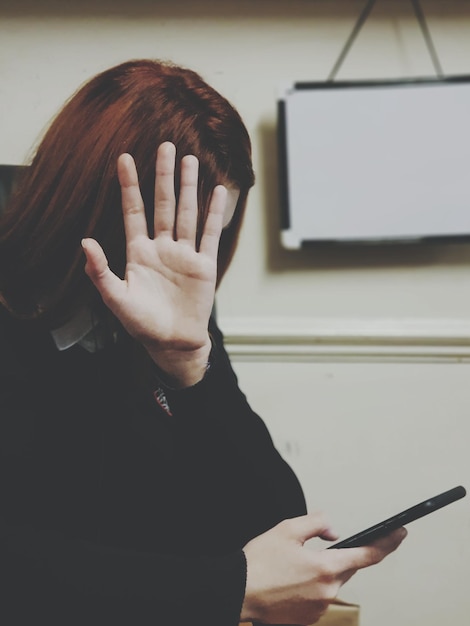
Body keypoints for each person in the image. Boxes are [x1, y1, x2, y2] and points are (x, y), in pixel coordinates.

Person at [0, 59, 406, 626]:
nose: (191, 260)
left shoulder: (172, 314)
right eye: (168, 229)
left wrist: (190, 365)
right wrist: (226, 590)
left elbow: (272, 522)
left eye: (209, 238)